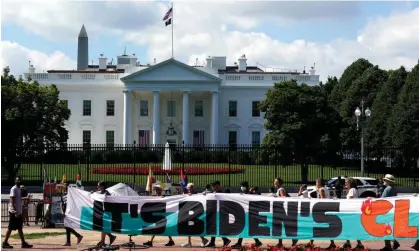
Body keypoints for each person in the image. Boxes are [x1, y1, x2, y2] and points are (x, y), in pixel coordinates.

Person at [2, 177, 33, 249]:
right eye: (17, 180)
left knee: (19, 227)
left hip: (18, 212)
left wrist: (25, 198)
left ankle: (23, 243)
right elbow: (12, 200)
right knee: (10, 228)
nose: (18, 181)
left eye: (19, 180)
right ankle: (5, 243)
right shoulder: (14, 189)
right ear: (15, 181)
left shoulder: (19, 189)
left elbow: (18, 198)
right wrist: (15, 211)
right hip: (14, 212)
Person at [231, 181, 263, 249]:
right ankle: (256, 241)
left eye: (243, 186)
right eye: (241, 186)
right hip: (245, 214)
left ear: (246, 186)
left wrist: (250, 192)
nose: (241, 187)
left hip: (249, 214)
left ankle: (240, 243)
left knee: (244, 229)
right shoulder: (243, 193)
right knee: (245, 229)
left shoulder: (250, 192)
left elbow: (257, 196)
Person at [306, 179, 336, 249]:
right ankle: (332, 243)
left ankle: (311, 243)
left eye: (316, 182)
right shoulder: (324, 189)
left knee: (314, 226)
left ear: (319, 183)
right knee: (327, 227)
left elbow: (322, 199)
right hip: (326, 209)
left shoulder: (321, 190)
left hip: (321, 210)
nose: (315, 183)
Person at [181, 183, 209, 248]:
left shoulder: (197, 194)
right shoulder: (187, 194)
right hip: (189, 214)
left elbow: (202, 197)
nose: (189, 189)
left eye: (190, 188)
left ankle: (202, 240)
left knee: (195, 228)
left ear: (193, 188)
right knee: (189, 227)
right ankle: (190, 242)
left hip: (196, 214)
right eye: (188, 188)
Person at [205, 180, 231, 248]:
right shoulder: (213, 193)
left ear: (218, 185)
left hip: (220, 214)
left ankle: (221, 241)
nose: (212, 186)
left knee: (216, 228)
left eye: (214, 185)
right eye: (212, 185)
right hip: (215, 213)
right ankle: (222, 241)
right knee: (214, 228)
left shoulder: (221, 193)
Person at [273, 177, 297, 248]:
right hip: (280, 211)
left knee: (285, 227)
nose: (274, 183)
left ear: (279, 183)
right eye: (274, 181)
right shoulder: (279, 189)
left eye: (276, 182)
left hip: (282, 211)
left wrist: (276, 198)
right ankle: (280, 243)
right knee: (280, 227)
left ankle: (294, 241)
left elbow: (284, 198)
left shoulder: (281, 189)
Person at [342, 178, 364, 250]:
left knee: (349, 228)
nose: (345, 183)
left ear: (350, 183)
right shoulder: (353, 190)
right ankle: (351, 242)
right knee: (350, 228)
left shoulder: (352, 190)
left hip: (351, 212)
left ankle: (356, 243)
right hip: (352, 212)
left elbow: (350, 200)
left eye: (346, 182)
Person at [380, 174, 400, 251]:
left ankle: (388, 246)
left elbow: (382, 199)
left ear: (388, 181)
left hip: (386, 211)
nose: (383, 181)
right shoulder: (393, 189)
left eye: (385, 180)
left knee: (385, 229)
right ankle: (394, 242)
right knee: (389, 228)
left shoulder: (387, 189)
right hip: (391, 211)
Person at [95, 181, 117, 247]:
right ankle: (109, 238)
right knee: (103, 227)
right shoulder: (102, 192)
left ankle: (103, 241)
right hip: (105, 212)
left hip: (108, 212)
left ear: (102, 186)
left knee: (103, 227)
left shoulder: (106, 193)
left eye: (98, 185)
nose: (97, 187)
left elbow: (103, 198)